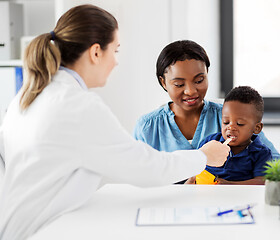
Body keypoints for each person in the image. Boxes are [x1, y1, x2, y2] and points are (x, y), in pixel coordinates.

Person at [0, 5, 230, 240]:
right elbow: (145, 167)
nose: (116, 62)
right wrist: (203, 156)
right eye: (115, 50)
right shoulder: (78, 106)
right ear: (96, 52)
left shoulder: (28, 95)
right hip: (39, 231)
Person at [133, 40, 280, 159]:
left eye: (199, 80)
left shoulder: (232, 117)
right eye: (179, 84)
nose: (191, 91)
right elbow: (135, 177)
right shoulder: (147, 128)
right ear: (163, 82)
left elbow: (276, 164)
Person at [198, 86, 272, 185]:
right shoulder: (210, 142)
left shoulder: (261, 153)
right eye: (226, 122)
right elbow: (194, 169)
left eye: (240, 123)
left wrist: (230, 184)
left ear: (257, 128)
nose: (231, 127)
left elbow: (262, 182)